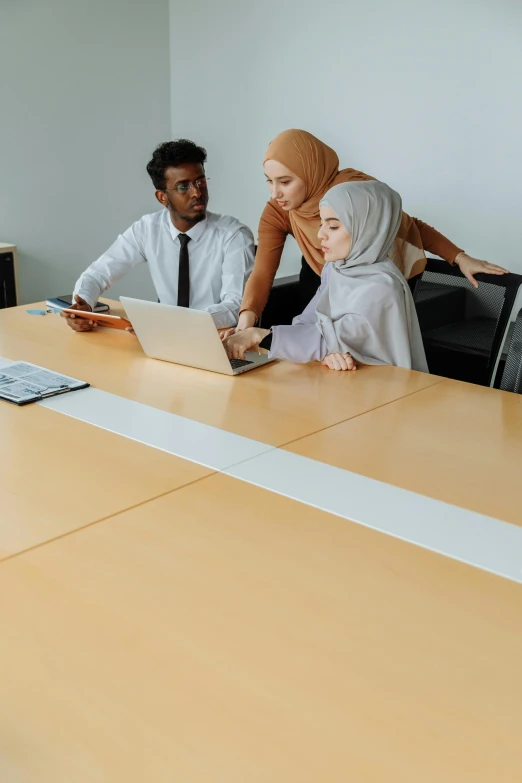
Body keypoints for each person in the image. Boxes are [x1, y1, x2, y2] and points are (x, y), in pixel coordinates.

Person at [233, 129, 508, 332]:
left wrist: (459, 257)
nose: (275, 192)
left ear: (310, 171)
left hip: (378, 276)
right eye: (269, 181)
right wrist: (246, 320)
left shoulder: (353, 192)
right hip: (323, 274)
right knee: (319, 345)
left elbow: (406, 226)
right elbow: (261, 273)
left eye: (285, 181)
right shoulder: (277, 211)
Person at [223, 180, 428, 373]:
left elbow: (335, 339)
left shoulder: (383, 286)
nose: (321, 234)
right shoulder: (336, 269)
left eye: (333, 226)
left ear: (367, 229)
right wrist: (326, 353)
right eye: (322, 224)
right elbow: (309, 321)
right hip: (343, 382)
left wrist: (260, 335)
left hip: (382, 388)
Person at [62, 139, 255, 332]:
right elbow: (97, 274)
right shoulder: (148, 229)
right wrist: (84, 306)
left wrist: (170, 325)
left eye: (200, 182)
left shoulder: (234, 235)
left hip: (218, 338)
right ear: (162, 197)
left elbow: (235, 306)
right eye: (183, 186)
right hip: (162, 339)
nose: (197, 192)